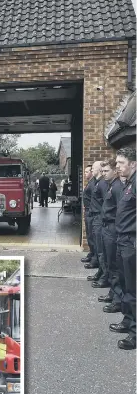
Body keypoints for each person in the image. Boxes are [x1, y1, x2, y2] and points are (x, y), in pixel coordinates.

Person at [110, 147, 136, 350]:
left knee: (134, 288)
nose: (117, 166)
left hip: (131, 241)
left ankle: (135, 333)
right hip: (122, 240)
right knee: (126, 285)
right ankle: (128, 321)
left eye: (121, 163)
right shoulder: (128, 184)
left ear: (133, 163)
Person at [93, 160, 122, 305]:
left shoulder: (117, 187)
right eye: (102, 171)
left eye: (106, 171)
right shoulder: (111, 186)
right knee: (110, 263)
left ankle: (117, 299)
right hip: (106, 226)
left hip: (112, 228)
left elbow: (120, 211)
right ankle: (113, 293)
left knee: (114, 264)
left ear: (115, 171)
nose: (103, 174)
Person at [85, 161, 109, 280]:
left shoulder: (103, 184)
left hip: (99, 216)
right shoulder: (97, 182)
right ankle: (101, 271)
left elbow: (106, 202)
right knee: (97, 245)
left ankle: (104, 275)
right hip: (94, 215)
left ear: (99, 170)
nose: (91, 170)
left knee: (100, 248)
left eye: (93, 168)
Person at [81, 165, 97, 264]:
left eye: (87, 172)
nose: (85, 174)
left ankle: (95, 258)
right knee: (89, 234)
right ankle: (92, 253)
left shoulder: (93, 183)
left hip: (91, 212)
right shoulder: (90, 183)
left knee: (92, 235)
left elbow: (94, 199)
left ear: (91, 172)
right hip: (87, 210)